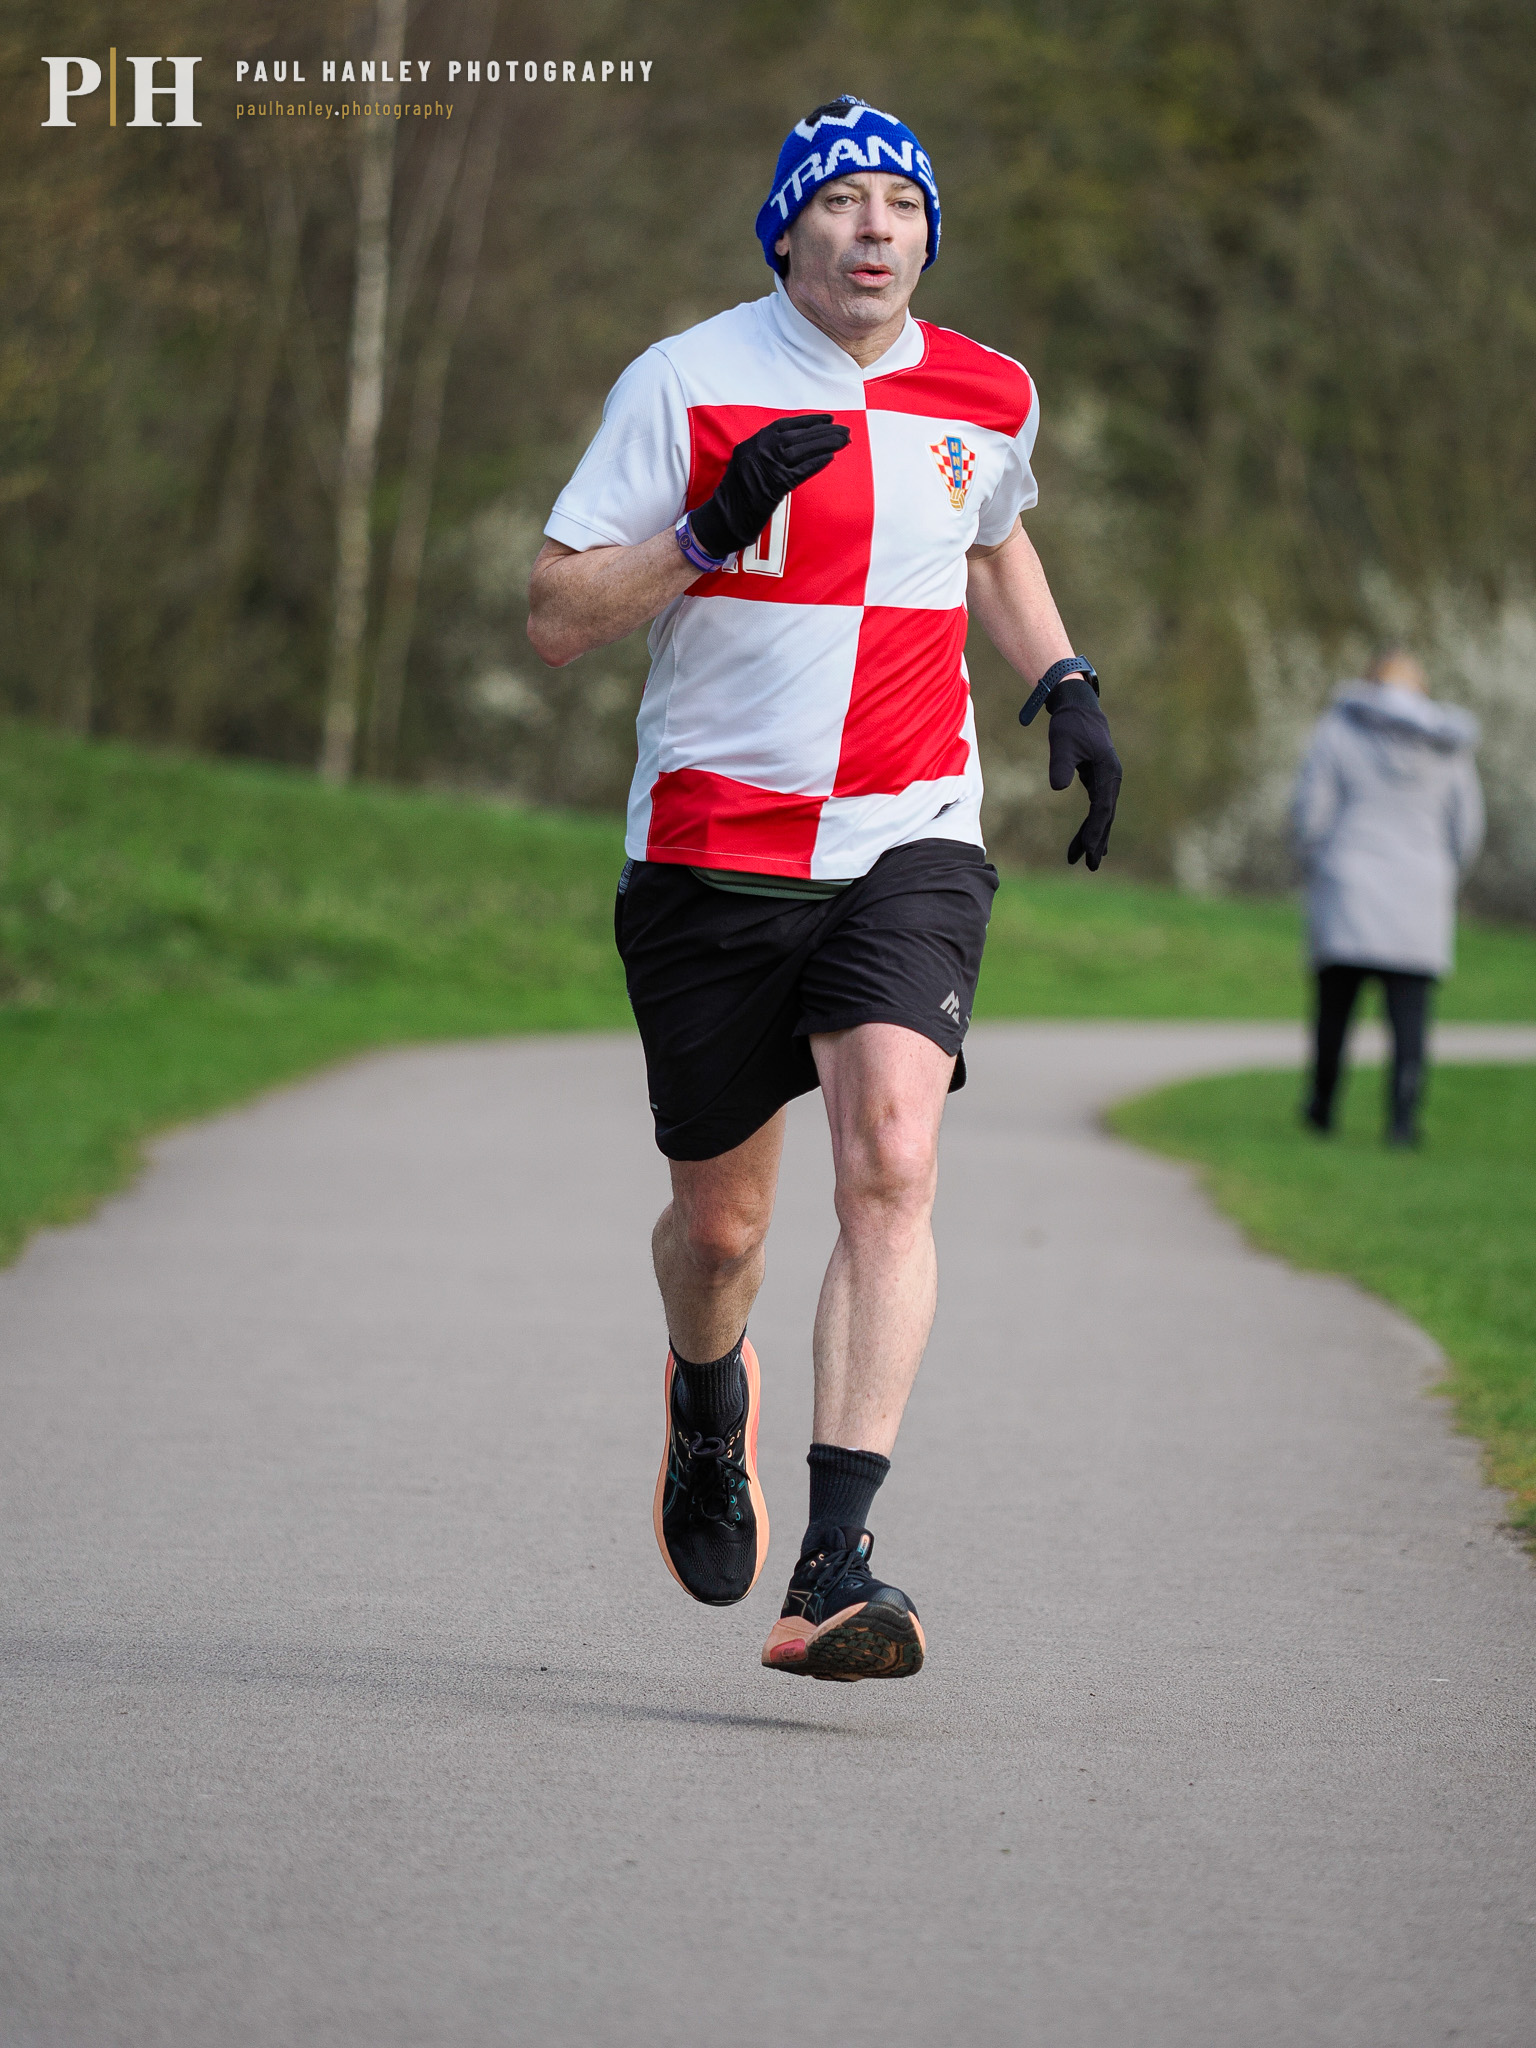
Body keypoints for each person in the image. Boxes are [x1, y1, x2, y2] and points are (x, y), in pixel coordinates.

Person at [527, 96, 1121, 1681]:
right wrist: (709, 533)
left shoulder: (988, 390)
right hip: (714, 853)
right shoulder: (686, 381)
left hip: (908, 835)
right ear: (786, 229)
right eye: (842, 203)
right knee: (722, 1232)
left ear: (929, 232)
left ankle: (837, 1565)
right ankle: (705, 1397)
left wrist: (1062, 673)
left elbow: (993, 538)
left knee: (896, 1156)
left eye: (900, 206)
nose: (875, 229)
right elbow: (558, 612)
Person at [1292, 646, 1483, 1146]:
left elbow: (1311, 813)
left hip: (1349, 885)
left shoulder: (1339, 730)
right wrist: (1438, 871)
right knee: (1410, 1022)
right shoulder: (1448, 745)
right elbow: (1467, 828)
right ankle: (1401, 1122)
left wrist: (1319, 861)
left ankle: (1321, 1111)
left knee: (1335, 1012)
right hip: (1420, 891)